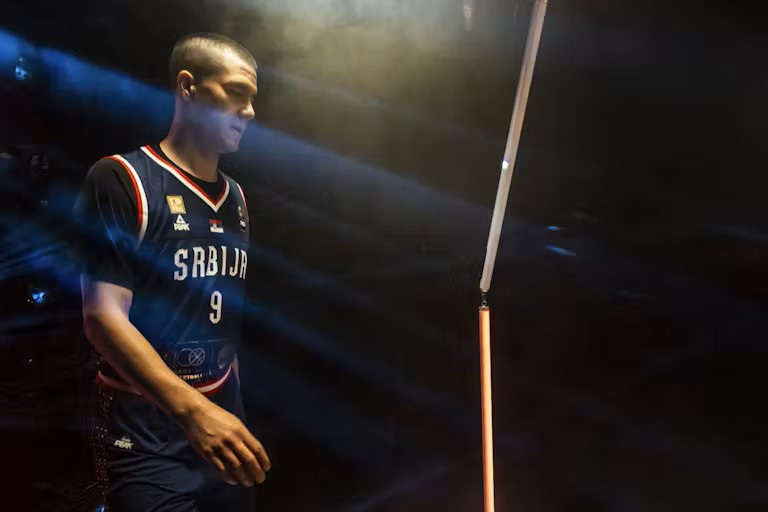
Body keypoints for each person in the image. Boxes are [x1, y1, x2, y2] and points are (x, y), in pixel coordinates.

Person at [74, 33, 270, 512]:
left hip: (220, 411)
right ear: (187, 87)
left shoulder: (237, 198)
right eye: (236, 92)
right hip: (142, 425)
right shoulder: (122, 178)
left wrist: (228, 407)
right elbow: (102, 317)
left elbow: (223, 311)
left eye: (252, 99)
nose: (248, 111)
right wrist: (194, 411)